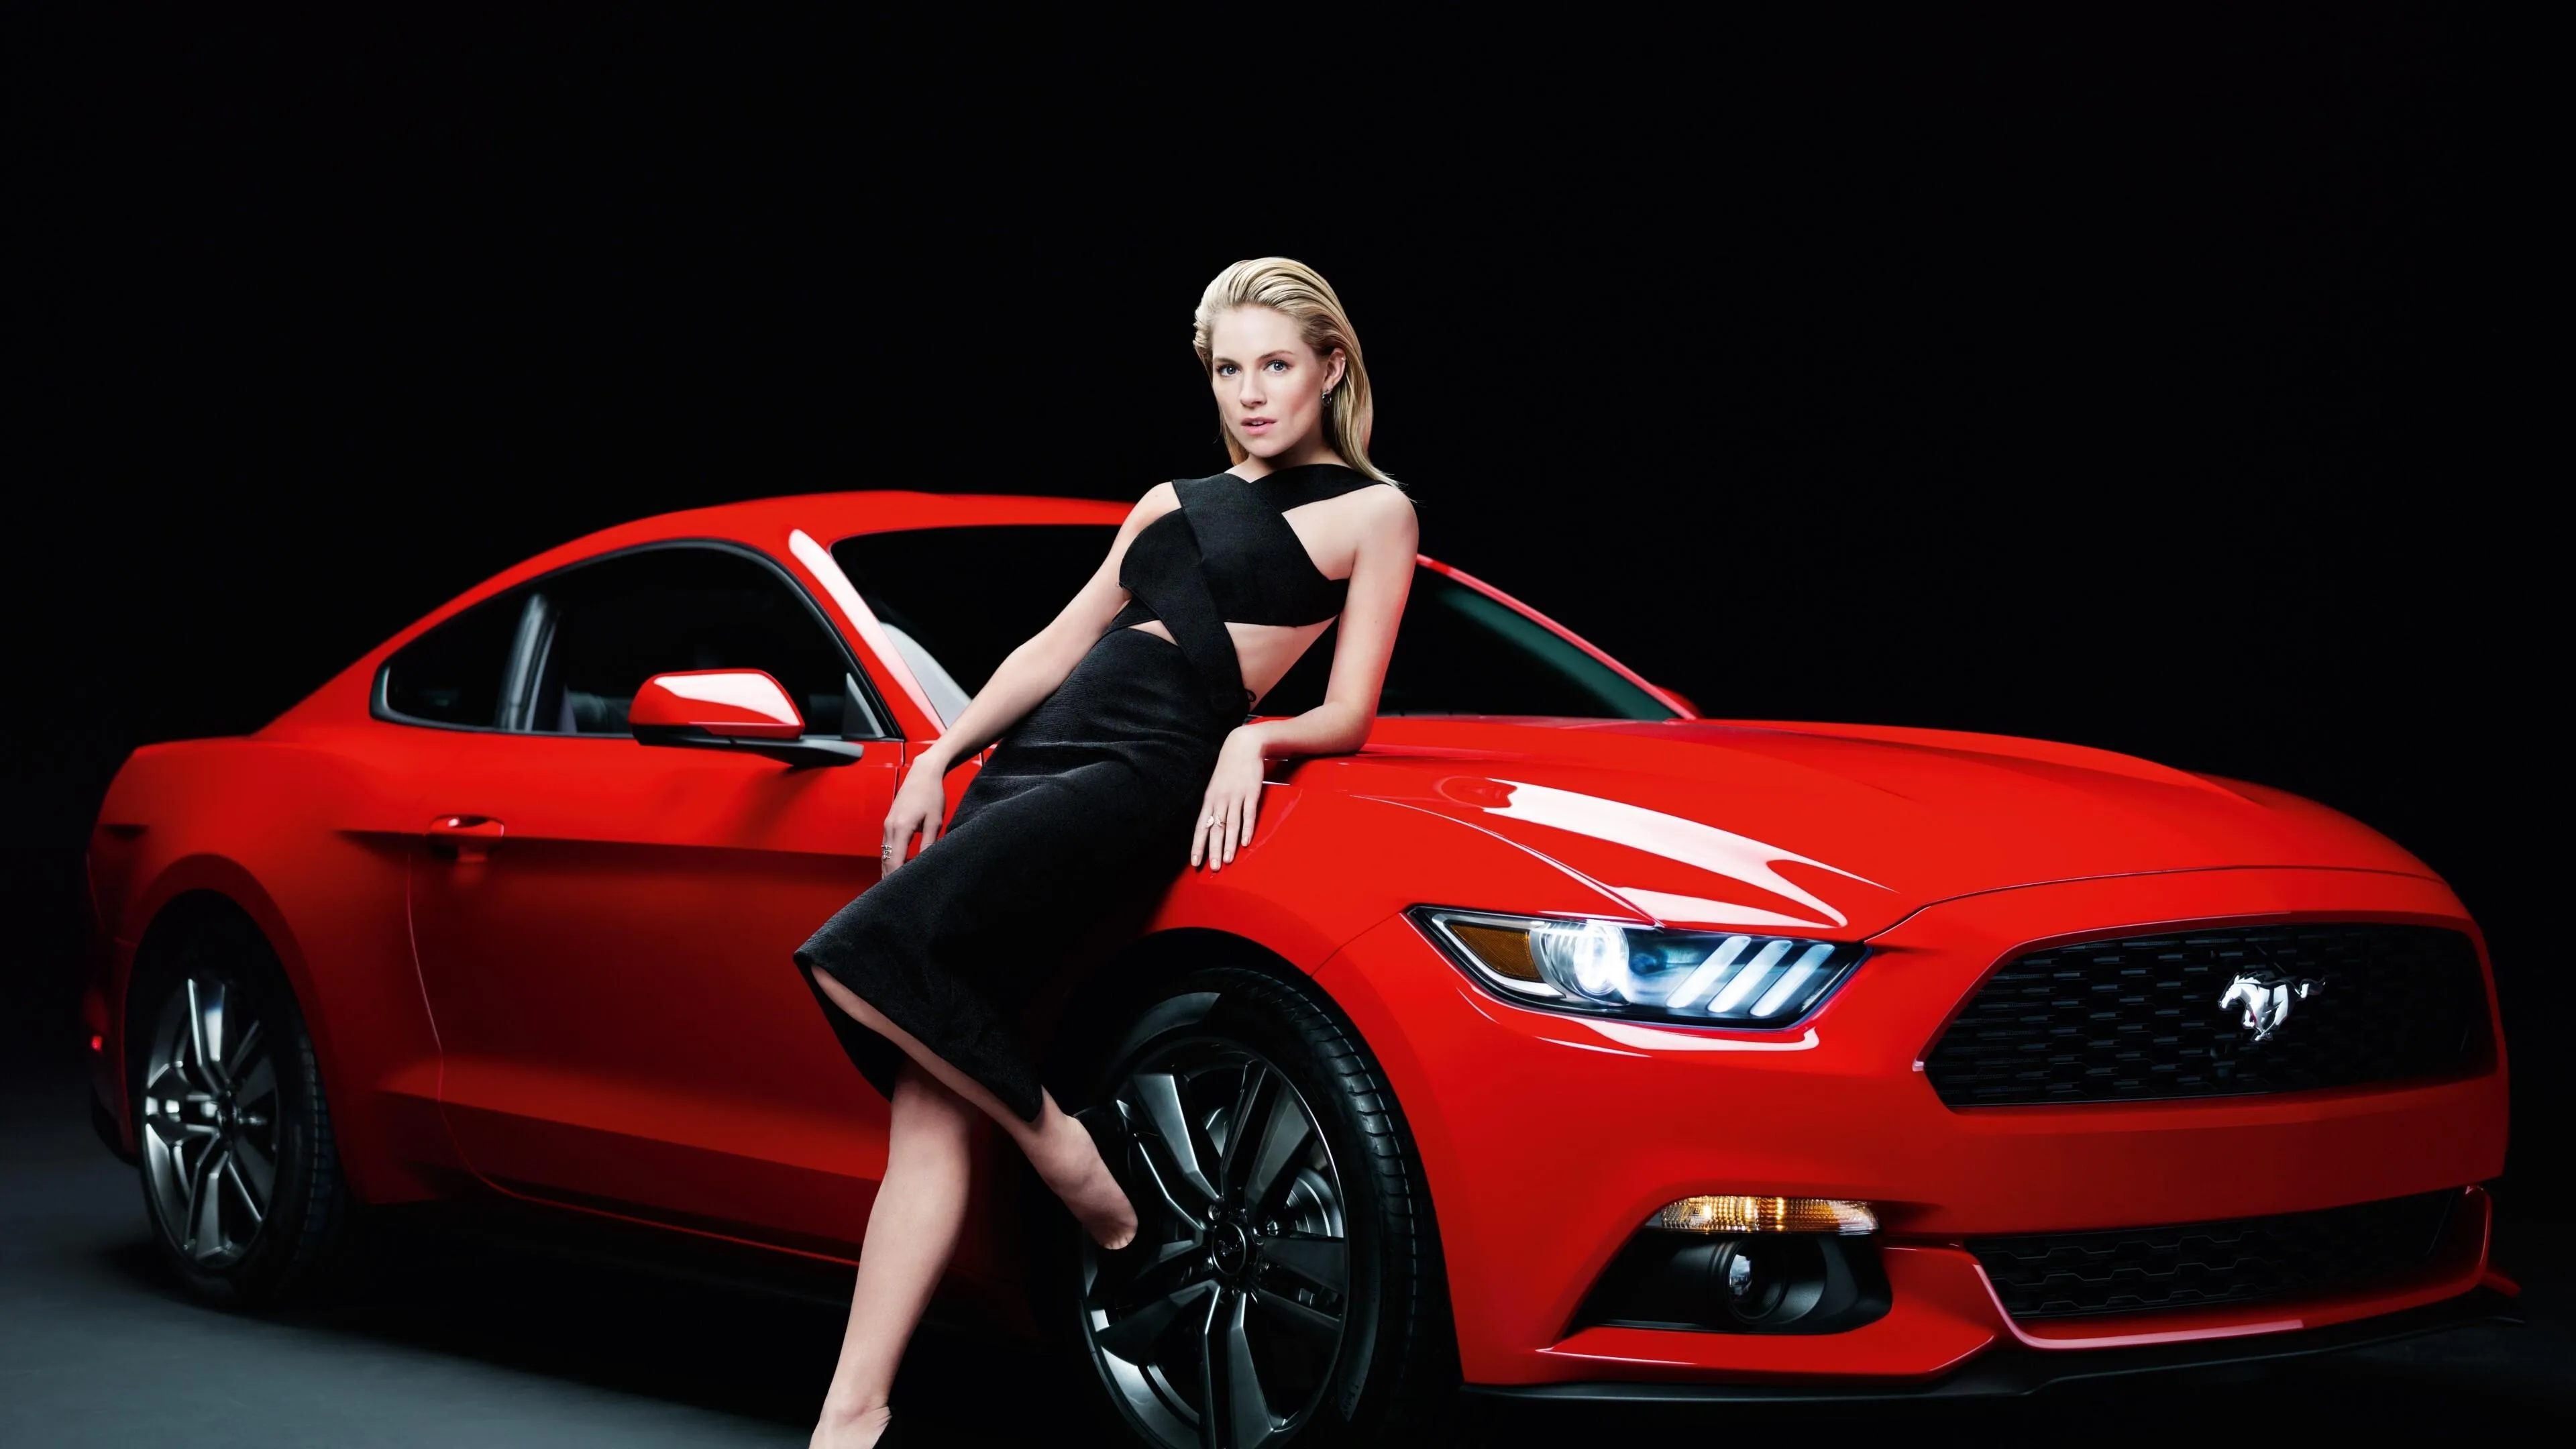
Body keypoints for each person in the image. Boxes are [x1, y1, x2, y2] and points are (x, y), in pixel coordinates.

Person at [793, 256, 1418, 1448]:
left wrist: (1262, 743)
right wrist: (943, 753)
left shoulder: (1375, 513)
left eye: (1275, 366)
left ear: (1331, 369)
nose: (1250, 394)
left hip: (1140, 769)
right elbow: (1053, 647)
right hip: (1034, 757)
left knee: (861, 953)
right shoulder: (1167, 498)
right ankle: (852, 1416)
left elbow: (1351, 709)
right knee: (929, 1104)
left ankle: (1080, 1169)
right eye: (1229, 370)